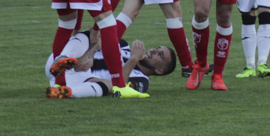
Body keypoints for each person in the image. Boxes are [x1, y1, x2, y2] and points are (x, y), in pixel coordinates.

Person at [45, 29, 174, 99]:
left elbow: (120, 88)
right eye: (157, 48)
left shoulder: (142, 82)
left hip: (79, 82)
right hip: (71, 61)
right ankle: (62, 58)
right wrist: (89, 55)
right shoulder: (123, 46)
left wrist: (133, 59)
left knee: (112, 86)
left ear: (159, 71)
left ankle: (66, 92)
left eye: (160, 54)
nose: (154, 50)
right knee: (91, 33)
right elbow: (97, 39)